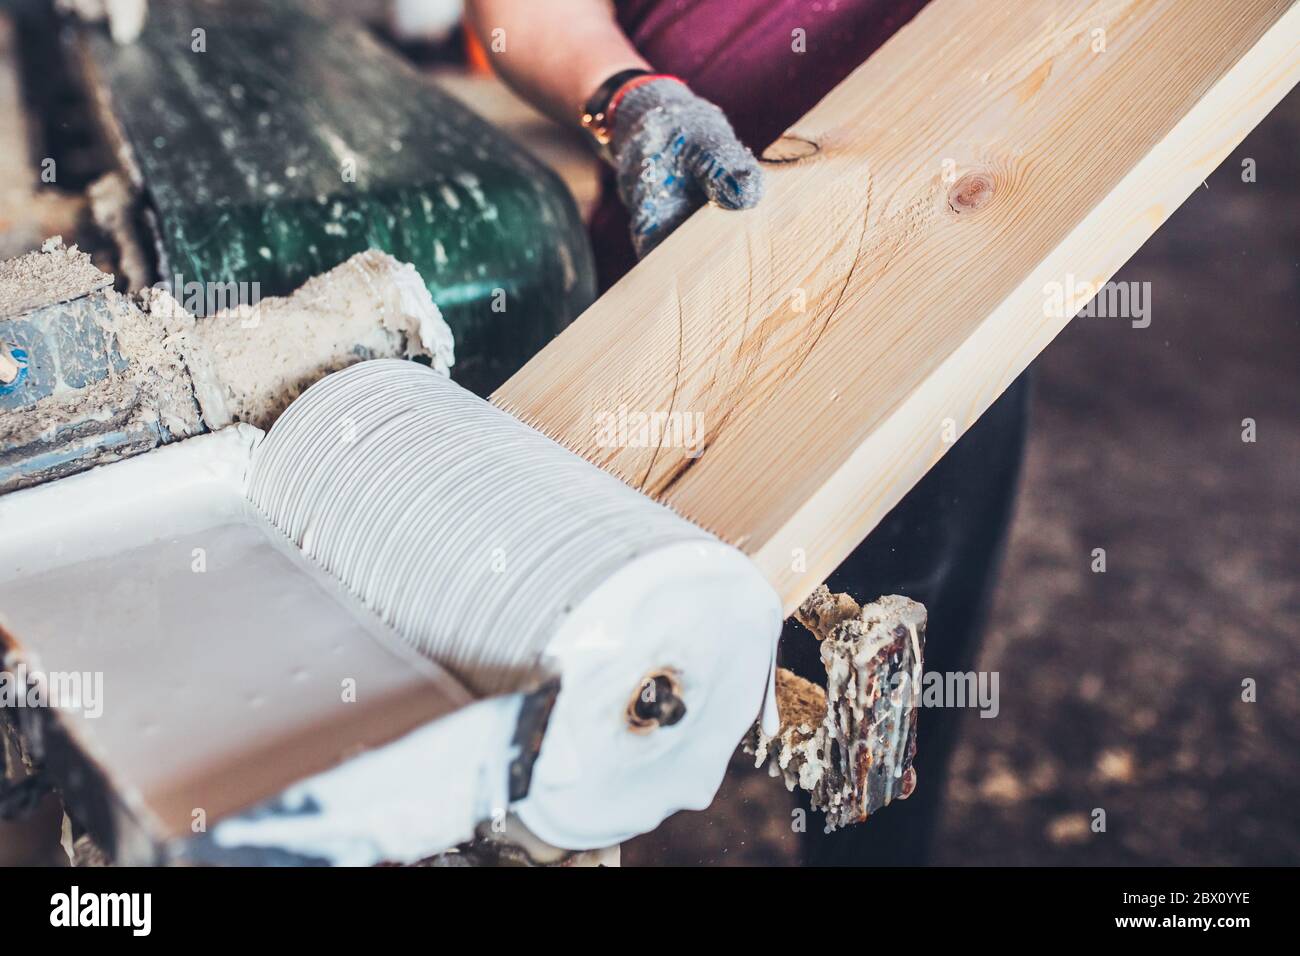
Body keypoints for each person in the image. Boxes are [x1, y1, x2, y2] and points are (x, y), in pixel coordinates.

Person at [468, 0, 1032, 865]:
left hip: (945, 290)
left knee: (875, 758)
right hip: (674, 282)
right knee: (562, 734)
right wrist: (626, 96)